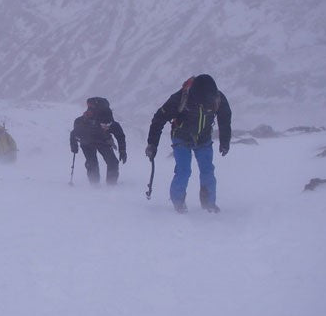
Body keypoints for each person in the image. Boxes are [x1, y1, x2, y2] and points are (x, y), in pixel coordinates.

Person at [145, 74, 231, 213]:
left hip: (204, 140)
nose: (206, 105)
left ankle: (209, 204)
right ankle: (178, 204)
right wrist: (152, 144)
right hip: (181, 138)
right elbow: (158, 119)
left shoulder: (218, 98)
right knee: (184, 171)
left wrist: (225, 142)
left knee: (207, 171)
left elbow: (225, 118)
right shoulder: (180, 98)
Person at [70, 97, 127, 185]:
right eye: (104, 125)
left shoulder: (112, 123)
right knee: (92, 163)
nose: (106, 127)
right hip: (87, 141)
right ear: (97, 122)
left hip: (103, 140)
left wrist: (122, 150)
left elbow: (120, 136)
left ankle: (111, 185)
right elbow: (73, 134)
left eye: (108, 125)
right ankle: (94, 185)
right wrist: (74, 146)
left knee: (113, 162)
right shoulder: (83, 123)